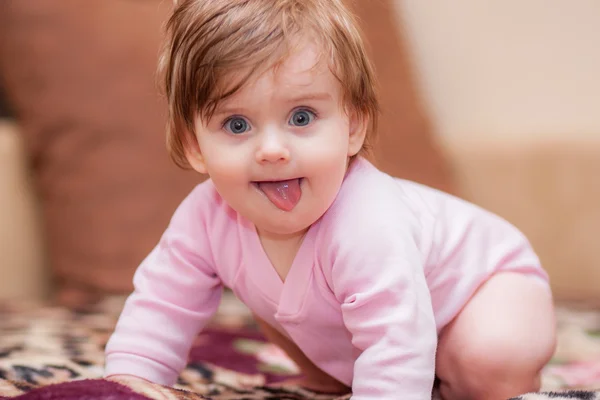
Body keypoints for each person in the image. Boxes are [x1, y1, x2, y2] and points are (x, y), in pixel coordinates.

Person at [104, 1, 557, 399]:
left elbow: (395, 336)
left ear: (353, 127)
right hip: (357, 323)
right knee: (305, 332)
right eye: (237, 125)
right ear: (195, 145)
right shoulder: (205, 217)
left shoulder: (367, 221)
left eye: (301, 117)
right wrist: (125, 387)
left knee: (488, 362)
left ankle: (457, 377)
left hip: (485, 287)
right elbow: (159, 311)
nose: (272, 150)